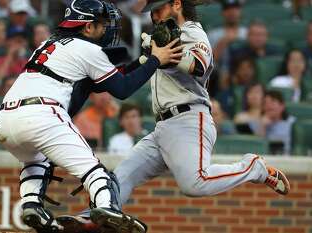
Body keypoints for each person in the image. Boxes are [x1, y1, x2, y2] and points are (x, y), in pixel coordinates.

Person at [64, 0, 291, 231]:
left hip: (188, 119)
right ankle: (91, 217)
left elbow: (199, 66)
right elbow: (137, 69)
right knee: (121, 176)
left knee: (194, 183)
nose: (153, 16)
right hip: (163, 127)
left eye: (158, 8)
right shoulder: (166, 36)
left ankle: (253, 168)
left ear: (176, 4)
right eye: (152, 11)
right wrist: (150, 56)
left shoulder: (192, 31)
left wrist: (166, 52)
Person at [0, 0, 183, 232]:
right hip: (42, 114)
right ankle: (107, 207)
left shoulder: (47, 44)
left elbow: (96, 83)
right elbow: (121, 90)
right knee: (95, 172)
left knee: (35, 159)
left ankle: (31, 204)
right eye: (102, 24)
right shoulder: (87, 48)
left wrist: (143, 61)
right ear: (87, 27)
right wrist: (155, 60)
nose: (107, 29)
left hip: (5, 120)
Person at [261, 90, 295, 155]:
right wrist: (262, 127)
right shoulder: (262, 123)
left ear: (282, 106)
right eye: (265, 103)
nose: (268, 105)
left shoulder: (292, 123)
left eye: (272, 101)